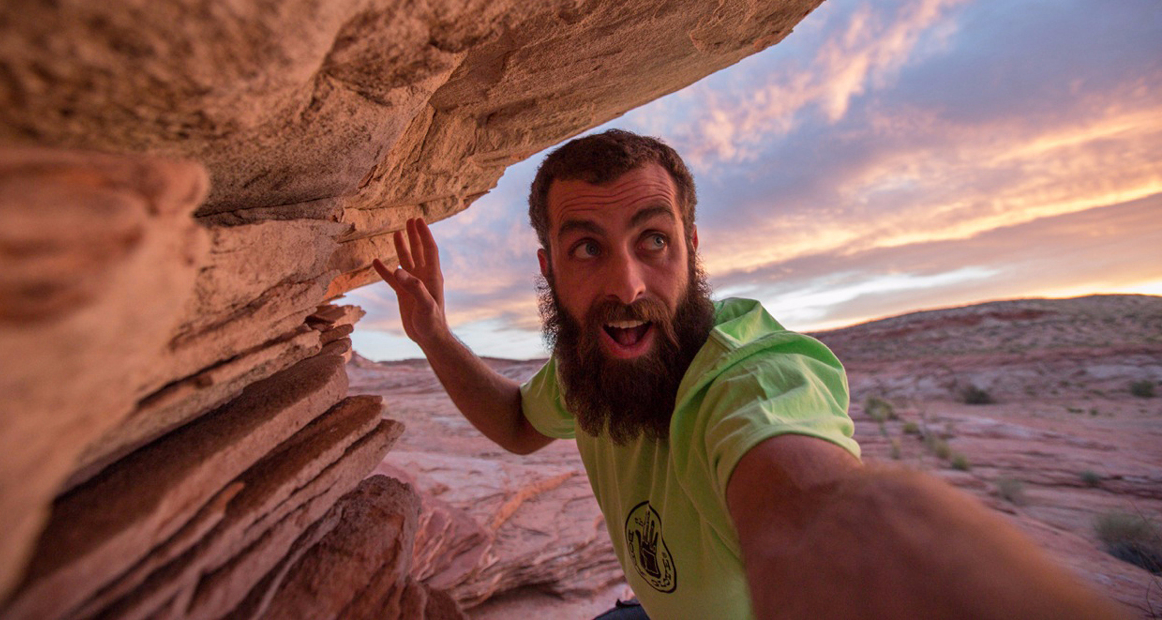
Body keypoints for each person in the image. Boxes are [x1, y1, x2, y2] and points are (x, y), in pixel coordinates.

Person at [373, 130, 1123, 619]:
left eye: (653, 240)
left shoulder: (749, 377)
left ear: (692, 248)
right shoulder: (589, 368)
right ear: (548, 269)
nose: (628, 284)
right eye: (587, 248)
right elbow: (514, 423)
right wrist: (433, 333)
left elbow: (815, 511)